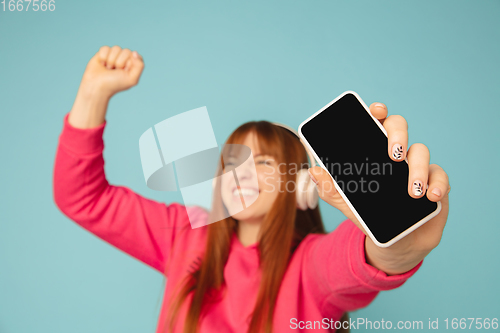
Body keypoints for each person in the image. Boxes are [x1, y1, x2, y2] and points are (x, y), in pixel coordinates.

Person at [53, 46, 451, 333]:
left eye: (262, 162)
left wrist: (402, 236)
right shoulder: (183, 238)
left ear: (298, 185)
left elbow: (370, 255)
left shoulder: (311, 268)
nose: (240, 174)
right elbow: (84, 198)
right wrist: (93, 94)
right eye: (232, 162)